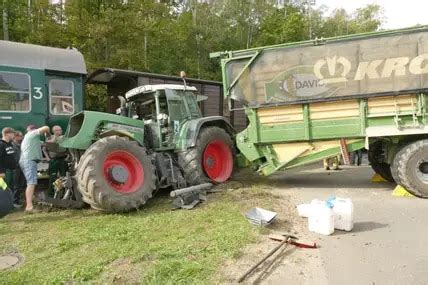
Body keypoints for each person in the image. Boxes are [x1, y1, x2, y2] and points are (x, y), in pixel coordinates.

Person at [20, 125, 50, 213]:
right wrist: (47, 134)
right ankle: (29, 207)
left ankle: (31, 201)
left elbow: (44, 143)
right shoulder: (32, 134)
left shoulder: (33, 139)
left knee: (31, 182)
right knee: (31, 183)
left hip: (27, 161)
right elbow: (46, 127)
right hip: (29, 161)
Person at [46, 125, 68, 196]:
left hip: (62, 159)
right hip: (53, 160)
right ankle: (51, 194)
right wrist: (47, 158)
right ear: (53, 131)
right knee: (53, 177)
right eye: (57, 130)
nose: (59, 131)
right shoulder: (50, 137)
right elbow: (49, 145)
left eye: (60, 130)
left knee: (63, 176)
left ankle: (63, 194)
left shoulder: (64, 138)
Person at [0, 127, 17, 195]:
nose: (14, 136)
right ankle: (4, 204)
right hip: (5, 172)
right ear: (7, 134)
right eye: (13, 134)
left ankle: (10, 204)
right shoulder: (1, 144)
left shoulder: (9, 144)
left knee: (10, 188)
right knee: (4, 188)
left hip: (11, 170)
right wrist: (1, 172)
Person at [12, 131, 26, 207]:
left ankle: (17, 200)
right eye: (21, 136)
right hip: (15, 168)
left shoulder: (21, 145)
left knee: (21, 184)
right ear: (16, 137)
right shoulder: (12, 146)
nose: (22, 137)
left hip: (22, 167)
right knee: (15, 185)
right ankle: (14, 202)